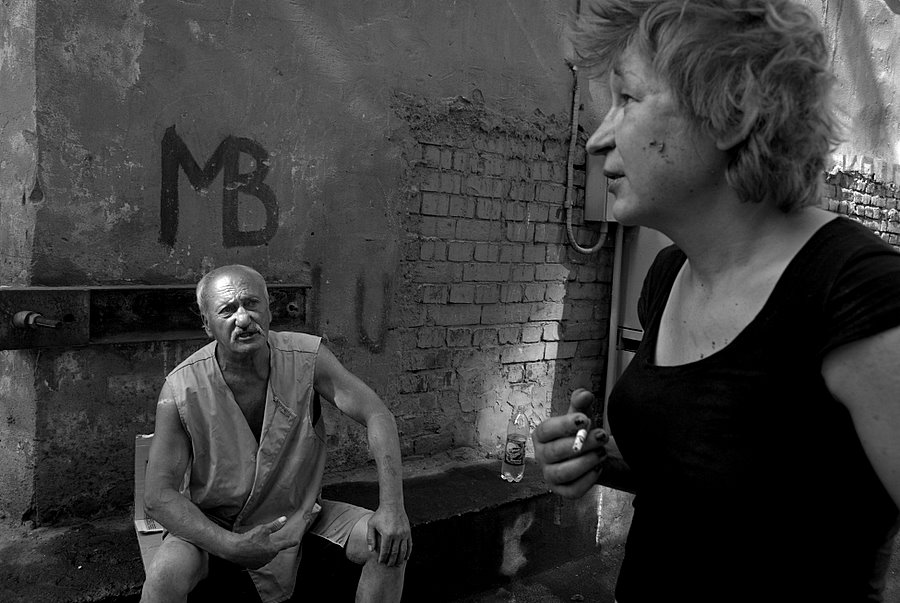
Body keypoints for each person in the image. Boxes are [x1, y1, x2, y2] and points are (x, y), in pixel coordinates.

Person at [533, 1, 900, 601]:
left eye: (627, 98)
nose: (598, 139)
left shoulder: (859, 294)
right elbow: (717, 481)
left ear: (731, 112)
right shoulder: (668, 274)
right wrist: (596, 459)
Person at [140, 264, 411, 603]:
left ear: (269, 311)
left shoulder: (307, 359)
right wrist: (229, 545)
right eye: (227, 310)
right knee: (163, 577)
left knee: (388, 545)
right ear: (207, 325)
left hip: (299, 513)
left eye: (251, 304)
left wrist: (392, 507)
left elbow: (377, 414)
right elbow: (158, 495)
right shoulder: (180, 388)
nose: (243, 319)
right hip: (214, 522)